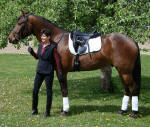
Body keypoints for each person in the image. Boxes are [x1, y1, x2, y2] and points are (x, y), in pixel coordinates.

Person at [28, 28, 63, 118]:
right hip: (39, 71)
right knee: (35, 91)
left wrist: (59, 72)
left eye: (44, 36)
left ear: (48, 37)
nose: (42, 37)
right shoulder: (40, 46)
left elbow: (58, 61)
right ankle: (34, 109)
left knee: (49, 92)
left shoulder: (52, 48)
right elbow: (37, 57)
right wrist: (31, 51)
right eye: (41, 36)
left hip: (48, 72)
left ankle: (47, 112)